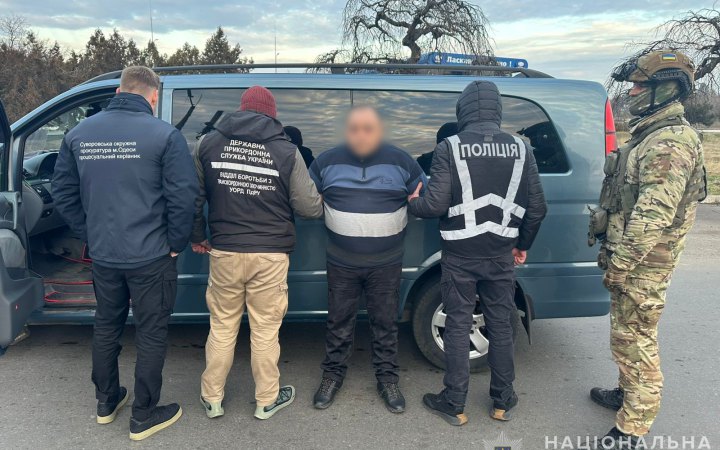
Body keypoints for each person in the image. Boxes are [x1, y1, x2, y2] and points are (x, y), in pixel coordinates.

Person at [52, 66, 198, 441]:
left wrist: (90, 233)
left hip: (104, 254)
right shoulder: (165, 135)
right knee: (151, 333)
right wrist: (175, 244)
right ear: (154, 96)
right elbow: (184, 197)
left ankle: (106, 402)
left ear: (119, 91)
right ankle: (143, 415)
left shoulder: (78, 134)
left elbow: (62, 193)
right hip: (152, 256)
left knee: (106, 325)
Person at [408, 80, 547, 426]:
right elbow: (538, 208)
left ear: (464, 110)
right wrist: (522, 245)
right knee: (500, 324)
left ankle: (454, 403)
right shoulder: (522, 149)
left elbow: (434, 204)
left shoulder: (450, 146)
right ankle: (502, 401)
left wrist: (413, 202)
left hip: (460, 254)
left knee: (458, 325)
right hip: (501, 253)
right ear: (497, 110)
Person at [588, 50, 706, 450]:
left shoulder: (670, 142)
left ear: (666, 88)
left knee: (636, 340)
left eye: (641, 85)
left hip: (644, 264)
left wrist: (620, 265)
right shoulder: (651, 133)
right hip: (636, 260)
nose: (633, 92)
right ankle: (627, 394)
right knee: (625, 334)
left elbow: (652, 216)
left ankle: (633, 429)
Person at [191, 86, 323, 420]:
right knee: (265, 330)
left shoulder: (208, 143)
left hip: (225, 249)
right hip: (270, 255)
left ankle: (212, 398)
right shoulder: (287, 150)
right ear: (272, 115)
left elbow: (193, 198)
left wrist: (198, 236)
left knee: (222, 327)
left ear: (242, 109)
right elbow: (308, 207)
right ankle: (267, 400)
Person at [309, 106, 426, 414]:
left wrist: (417, 202)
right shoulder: (325, 161)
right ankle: (332, 376)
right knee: (338, 322)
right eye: (354, 128)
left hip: (387, 261)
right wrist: (315, 201)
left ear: (379, 130)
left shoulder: (402, 161)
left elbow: (426, 197)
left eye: (368, 128)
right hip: (341, 261)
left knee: (385, 323)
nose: (361, 135)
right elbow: (306, 199)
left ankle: (388, 379)